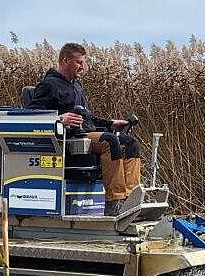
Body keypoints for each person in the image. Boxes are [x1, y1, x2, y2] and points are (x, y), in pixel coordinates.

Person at [26, 42, 141, 216]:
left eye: (83, 62)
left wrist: (110, 123)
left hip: (86, 134)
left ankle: (131, 199)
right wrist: (60, 119)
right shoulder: (49, 85)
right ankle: (114, 202)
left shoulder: (76, 87)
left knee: (130, 143)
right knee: (109, 141)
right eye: (79, 62)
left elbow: (88, 118)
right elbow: (31, 114)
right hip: (69, 139)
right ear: (65, 61)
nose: (83, 66)